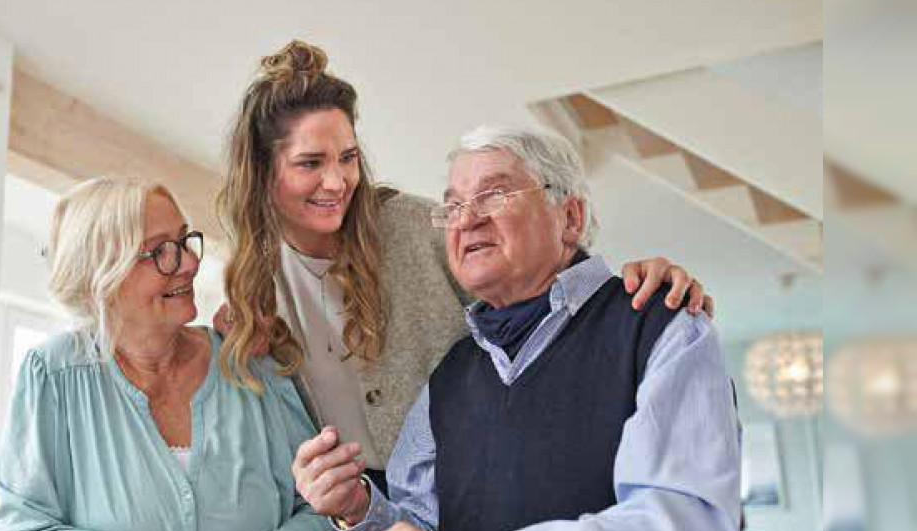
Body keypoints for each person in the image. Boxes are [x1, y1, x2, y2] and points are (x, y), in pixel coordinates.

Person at [215, 40, 715, 496]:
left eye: (347, 158)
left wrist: (631, 286)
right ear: (264, 171)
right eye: (310, 163)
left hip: (462, 486)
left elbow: (546, 292)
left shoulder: (416, 226)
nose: (337, 181)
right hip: (345, 505)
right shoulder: (253, 279)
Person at [295, 125, 741, 531]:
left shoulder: (664, 326)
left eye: (494, 195)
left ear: (569, 218)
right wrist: (360, 508)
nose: (467, 221)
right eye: (454, 206)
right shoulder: (449, 377)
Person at [0, 176, 339, 531]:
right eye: (161, 252)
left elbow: (326, 510)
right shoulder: (53, 375)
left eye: (185, 240)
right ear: (104, 276)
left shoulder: (250, 361)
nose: (190, 263)